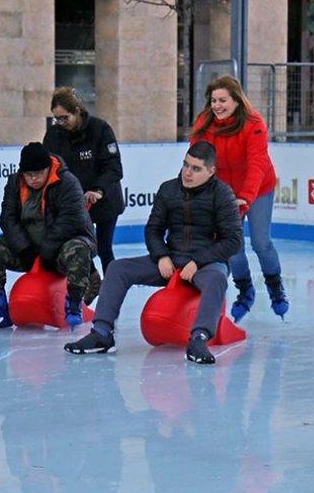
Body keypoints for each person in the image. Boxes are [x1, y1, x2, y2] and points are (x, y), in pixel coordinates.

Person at [64, 141, 241, 365]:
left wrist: (198, 261)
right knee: (118, 268)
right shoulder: (169, 189)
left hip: (206, 264)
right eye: (186, 165)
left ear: (211, 171)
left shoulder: (222, 195)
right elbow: (153, 229)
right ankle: (101, 333)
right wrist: (161, 255)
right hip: (171, 257)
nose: (187, 172)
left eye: (196, 169)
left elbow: (233, 240)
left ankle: (199, 338)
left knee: (217, 278)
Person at [189, 75, 287, 321]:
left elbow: (257, 164)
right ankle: (245, 290)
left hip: (257, 188)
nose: (217, 106)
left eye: (223, 100)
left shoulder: (253, 123)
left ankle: (275, 287)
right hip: (223, 192)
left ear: (236, 101)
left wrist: (245, 197)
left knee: (261, 242)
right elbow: (197, 160)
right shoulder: (204, 124)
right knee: (232, 246)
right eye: (213, 100)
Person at [0, 142, 100, 330]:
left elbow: (70, 221)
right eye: (29, 175)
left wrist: (49, 251)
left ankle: (74, 304)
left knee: (78, 250)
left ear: (48, 168)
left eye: (38, 173)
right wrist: (24, 249)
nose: (33, 179)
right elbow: (8, 219)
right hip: (30, 246)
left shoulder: (67, 182)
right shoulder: (14, 183)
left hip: (63, 244)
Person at [42, 87, 125, 271]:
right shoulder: (54, 135)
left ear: (77, 111)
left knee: (104, 248)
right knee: (76, 250)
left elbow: (113, 167)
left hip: (104, 201)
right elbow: (49, 169)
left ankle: (111, 290)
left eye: (65, 117)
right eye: (57, 118)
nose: (61, 122)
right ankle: (83, 289)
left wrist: (98, 190)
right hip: (73, 204)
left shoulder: (100, 129)